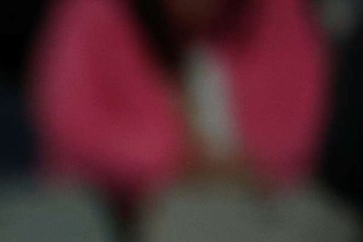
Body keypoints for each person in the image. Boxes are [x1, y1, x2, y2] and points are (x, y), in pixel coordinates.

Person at [30, 0, 330, 206]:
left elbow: (310, 121)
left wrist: (253, 169)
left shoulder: (276, 13)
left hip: (262, 212)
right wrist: (177, 166)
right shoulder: (94, 14)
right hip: (118, 221)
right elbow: (75, 127)